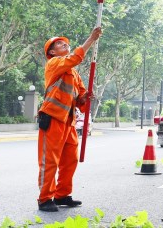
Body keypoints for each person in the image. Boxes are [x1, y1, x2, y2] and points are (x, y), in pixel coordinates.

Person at [37, 26, 102, 212]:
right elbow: (76, 57)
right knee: (49, 161)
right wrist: (91, 39)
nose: (64, 44)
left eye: (65, 43)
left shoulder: (73, 74)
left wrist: (86, 98)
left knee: (69, 160)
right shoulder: (54, 64)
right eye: (59, 43)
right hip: (52, 119)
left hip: (68, 122)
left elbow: (80, 100)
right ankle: (44, 199)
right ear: (51, 52)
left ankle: (62, 195)